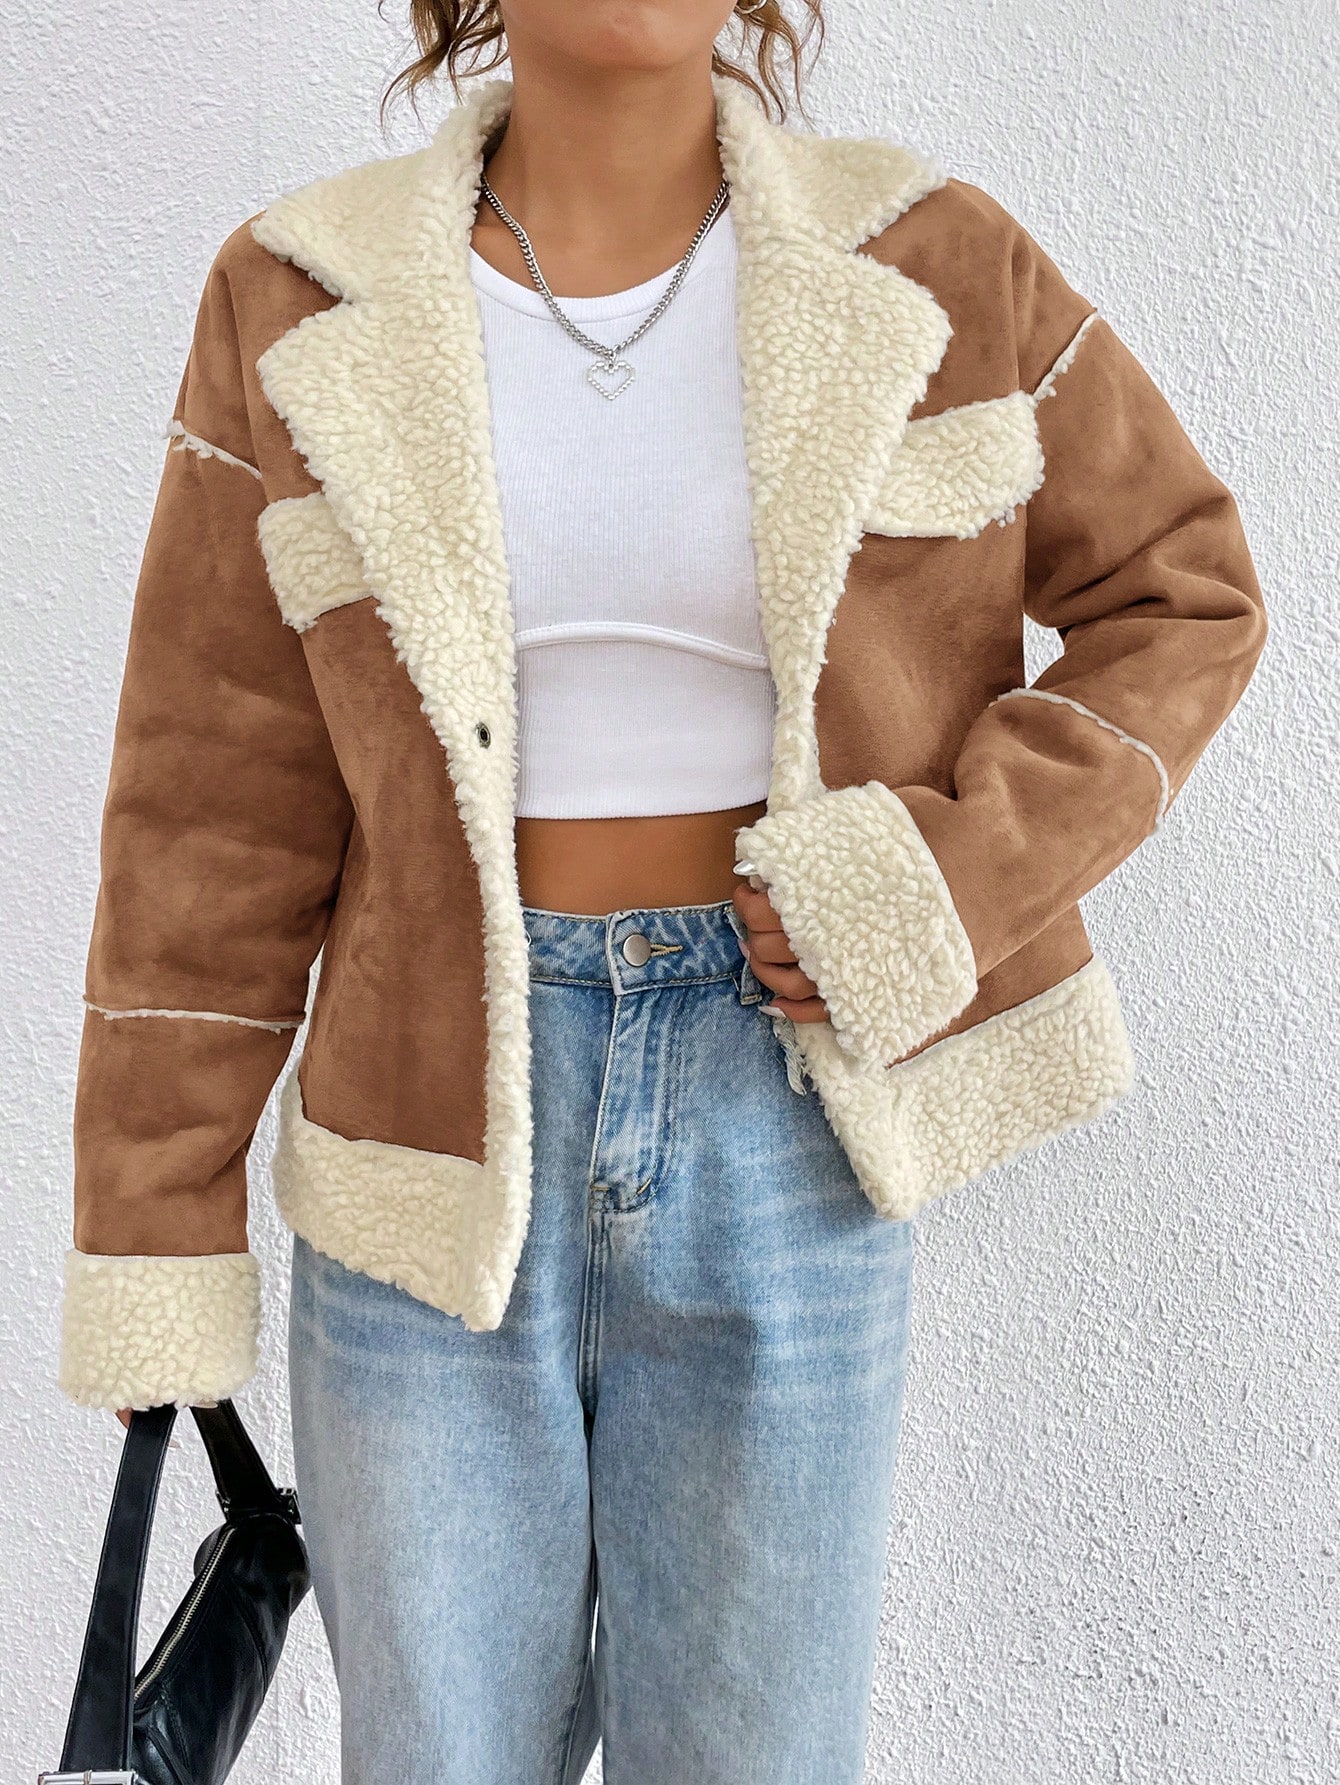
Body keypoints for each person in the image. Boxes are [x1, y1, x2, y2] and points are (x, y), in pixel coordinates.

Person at [57, 1, 1268, 1778]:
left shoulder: (930, 257)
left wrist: (930, 881)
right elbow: (205, 806)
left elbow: (1186, 594)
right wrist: (155, 1231)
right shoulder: (297, 294)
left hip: (786, 1121)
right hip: (425, 1147)